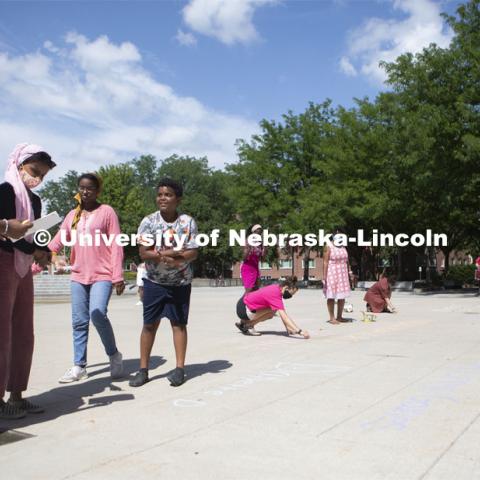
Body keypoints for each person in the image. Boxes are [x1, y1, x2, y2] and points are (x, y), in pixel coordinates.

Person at [49, 173, 125, 383]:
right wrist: (40, 258)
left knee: (97, 313)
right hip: (78, 274)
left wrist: (117, 275)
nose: (85, 191)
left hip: (102, 274)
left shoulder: (106, 212)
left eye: (90, 188)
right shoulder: (73, 215)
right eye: (82, 187)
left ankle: (114, 355)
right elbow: (57, 242)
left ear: (98, 191)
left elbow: (116, 244)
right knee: (78, 321)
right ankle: (79, 366)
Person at [0, 143, 56, 420]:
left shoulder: (34, 201)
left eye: (42, 176)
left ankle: (17, 394)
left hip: (23, 269)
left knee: (24, 331)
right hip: (4, 263)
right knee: (2, 334)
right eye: (35, 171)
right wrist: (30, 248)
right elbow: (7, 233)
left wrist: (44, 252)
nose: (37, 179)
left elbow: (36, 234)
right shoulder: (5, 191)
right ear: (20, 165)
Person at [129, 178, 198, 388]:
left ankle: (179, 369)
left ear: (178, 199)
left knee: (179, 324)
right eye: (160, 194)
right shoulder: (148, 221)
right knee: (149, 325)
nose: (162, 198)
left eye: (168, 195)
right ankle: (143, 370)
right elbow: (144, 252)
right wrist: (170, 253)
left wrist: (175, 258)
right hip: (154, 282)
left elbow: (193, 252)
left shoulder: (188, 222)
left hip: (180, 282)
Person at [235, 276, 310, 338]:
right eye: (291, 293)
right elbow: (284, 316)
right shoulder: (275, 295)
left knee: (273, 310)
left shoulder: (276, 288)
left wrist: (288, 328)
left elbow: (282, 314)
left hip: (242, 305)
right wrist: (300, 331)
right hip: (243, 309)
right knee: (272, 311)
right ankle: (248, 325)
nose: (291, 296)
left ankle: (244, 323)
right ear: (286, 288)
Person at [323, 228, 351, 324]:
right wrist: (324, 276)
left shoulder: (343, 247)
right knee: (331, 296)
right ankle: (332, 318)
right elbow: (325, 262)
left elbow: (347, 261)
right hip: (332, 272)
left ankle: (339, 316)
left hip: (342, 273)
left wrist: (349, 271)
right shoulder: (328, 246)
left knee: (341, 296)